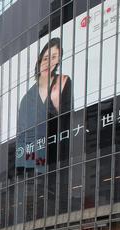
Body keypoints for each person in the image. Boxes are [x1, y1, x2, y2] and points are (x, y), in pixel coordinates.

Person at [16, 38, 71, 171]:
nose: (49, 63)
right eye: (46, 58)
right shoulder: (26, 99)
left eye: (54, 57)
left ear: (58, 61)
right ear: (39, 61)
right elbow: (22, 139)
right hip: (38, 162)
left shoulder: (63, 82)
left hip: (61, 155)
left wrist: (56, 105)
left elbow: (69, 120)